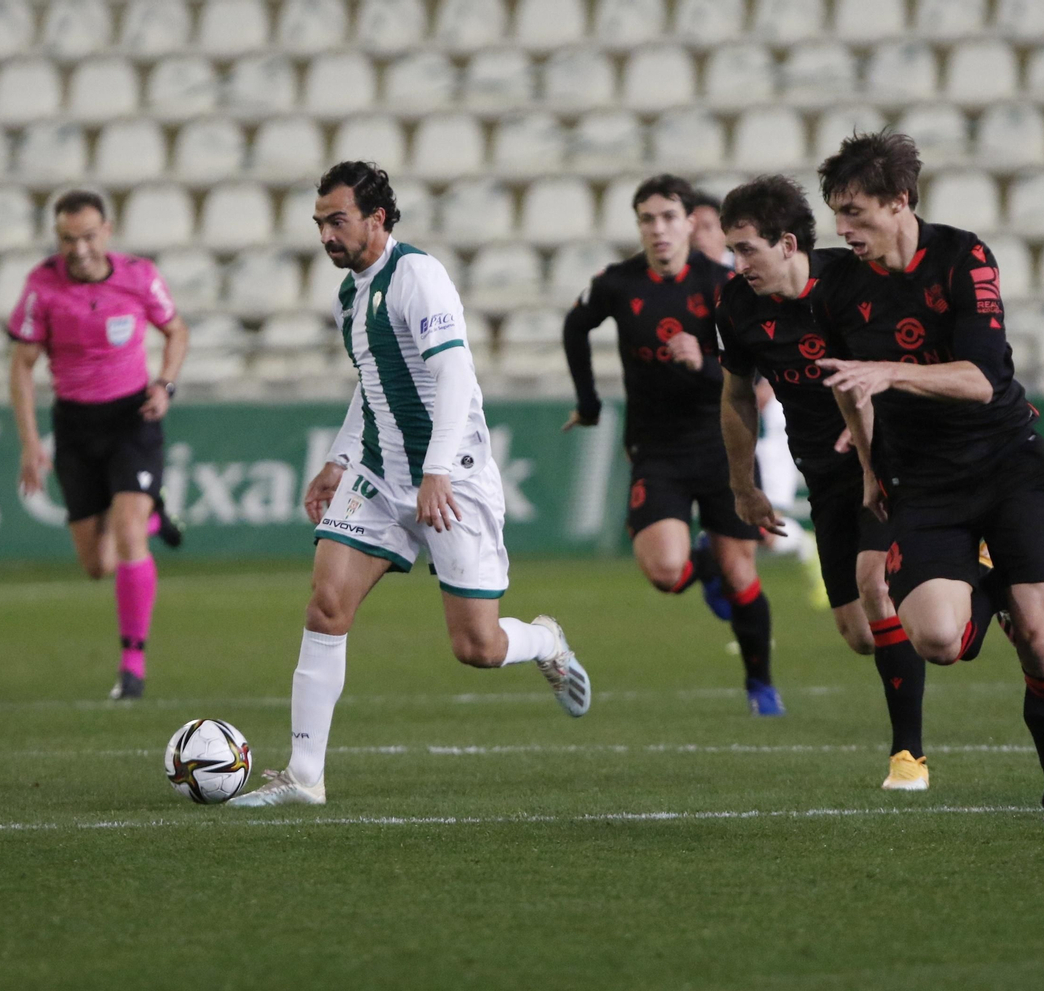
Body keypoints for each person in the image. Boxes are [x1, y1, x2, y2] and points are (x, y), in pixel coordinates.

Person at [230, 162, 590, 808]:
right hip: (378, 473)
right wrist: (340, 459)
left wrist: (436, 470)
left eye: (336, 221)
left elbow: (453, 379)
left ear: (378, 219)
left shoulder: (416, 278)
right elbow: (371, 386)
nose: (325, 236)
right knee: (326, 604)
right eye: (319, 224)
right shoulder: (351, 294)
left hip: (452, 480)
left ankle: (545, 641)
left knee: (477, 646)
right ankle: (304, 776)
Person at [813, 131, 1044, 843]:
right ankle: (989, 586)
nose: (843, 230)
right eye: (835, 215)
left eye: (854, 213)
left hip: (1009, 466)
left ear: (900, 201)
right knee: (939, 639)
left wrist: (891, 374)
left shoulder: (963, 256)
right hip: (924, 479)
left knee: (1039, 640)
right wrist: (874, 470)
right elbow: (851, 385)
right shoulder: (842, 287)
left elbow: (980, 380)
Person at [712, 177, 931, 790]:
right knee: (861, 633)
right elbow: (735, 395)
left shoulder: (853, 280)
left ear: (787, 243)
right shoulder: (736, 305)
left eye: (747, 249)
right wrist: (742, 485)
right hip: (822, 473)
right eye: (732, 250)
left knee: (873, 583)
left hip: (888, 458)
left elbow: (913, 355)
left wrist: (877, 430)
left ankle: (908, 757)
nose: (737, 263)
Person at [561, 174, 780, 717]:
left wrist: (701, 362)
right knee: (664, 572)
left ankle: (761, 686)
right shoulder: (617, 282)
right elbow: (574, 326)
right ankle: (697, 563)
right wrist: (588, 403)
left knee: (742, 574)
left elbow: (753, 386)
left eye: (668, 218)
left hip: (723, 446)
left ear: (689, 223)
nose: (657, 229)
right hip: (655, 449)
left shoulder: (725, 285)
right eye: (647, 219)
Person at [8, 189, 189, 701]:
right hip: (75, 427)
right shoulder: (41, 286)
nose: (79, 249)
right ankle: (156, 516)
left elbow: (176, 331)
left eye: (88, 237)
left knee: (128, 535)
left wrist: (165, 385)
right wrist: (29, 444)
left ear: (107, 231)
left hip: (133, 418)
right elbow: (21, 367)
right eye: (68, 239)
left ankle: (132, 666)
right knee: (98, 565)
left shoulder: (138, 276)